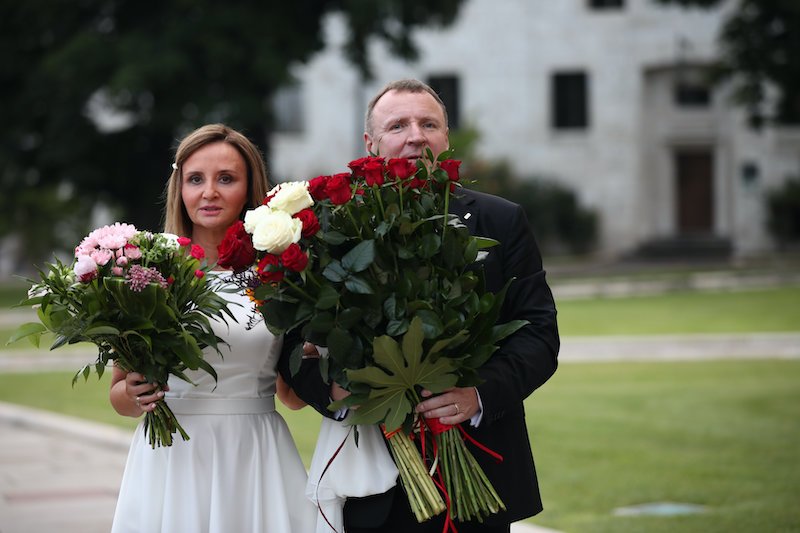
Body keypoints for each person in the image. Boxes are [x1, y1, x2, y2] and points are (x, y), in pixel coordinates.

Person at [283, 79, 560, 533]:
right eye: (398, 126)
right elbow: (293, 344)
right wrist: (334, 393)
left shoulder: (501, 220)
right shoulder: (331, 228)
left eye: (428, 124)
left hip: (478, 474)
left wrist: (478, 396)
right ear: (370, 143)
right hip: (370, 483)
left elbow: (538, 334)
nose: (416, 136)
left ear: (446, 137)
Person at [109, 123, 315, 532]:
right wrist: (134, 394)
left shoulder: (279, 272)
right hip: (171, 457)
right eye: (195, 179)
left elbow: (292, 398)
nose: (209, 192)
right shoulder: (146, 271)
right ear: (179, 188)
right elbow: (119, 395)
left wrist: (322, 348)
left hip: (254, 453)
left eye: (226, 179)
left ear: (249, 188)